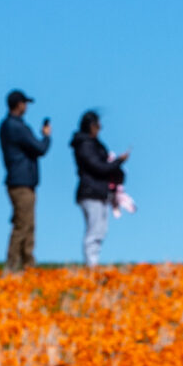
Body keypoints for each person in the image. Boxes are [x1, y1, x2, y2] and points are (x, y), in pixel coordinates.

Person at [0, 90, 52, 270]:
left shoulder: (7, 126)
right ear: (19, 104)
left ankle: (25, 264)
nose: (27, 107)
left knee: (26, 223)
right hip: (22, 182)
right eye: (25, 103)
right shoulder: (16, 127)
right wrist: (46, 136)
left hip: (17, 180)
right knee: (24, 225)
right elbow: (39, 148)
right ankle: (15, 264)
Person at [72, 111, 129, 268]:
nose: (99, 129)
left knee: (100, 229)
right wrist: (118, 162)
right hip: (91, 192)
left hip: (99, 191)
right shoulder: (86, 145)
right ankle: (91, 264)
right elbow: (98, 167)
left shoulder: (92, 144)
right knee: (95, 230)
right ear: (91, 126)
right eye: (97, 125)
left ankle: (93, 263)